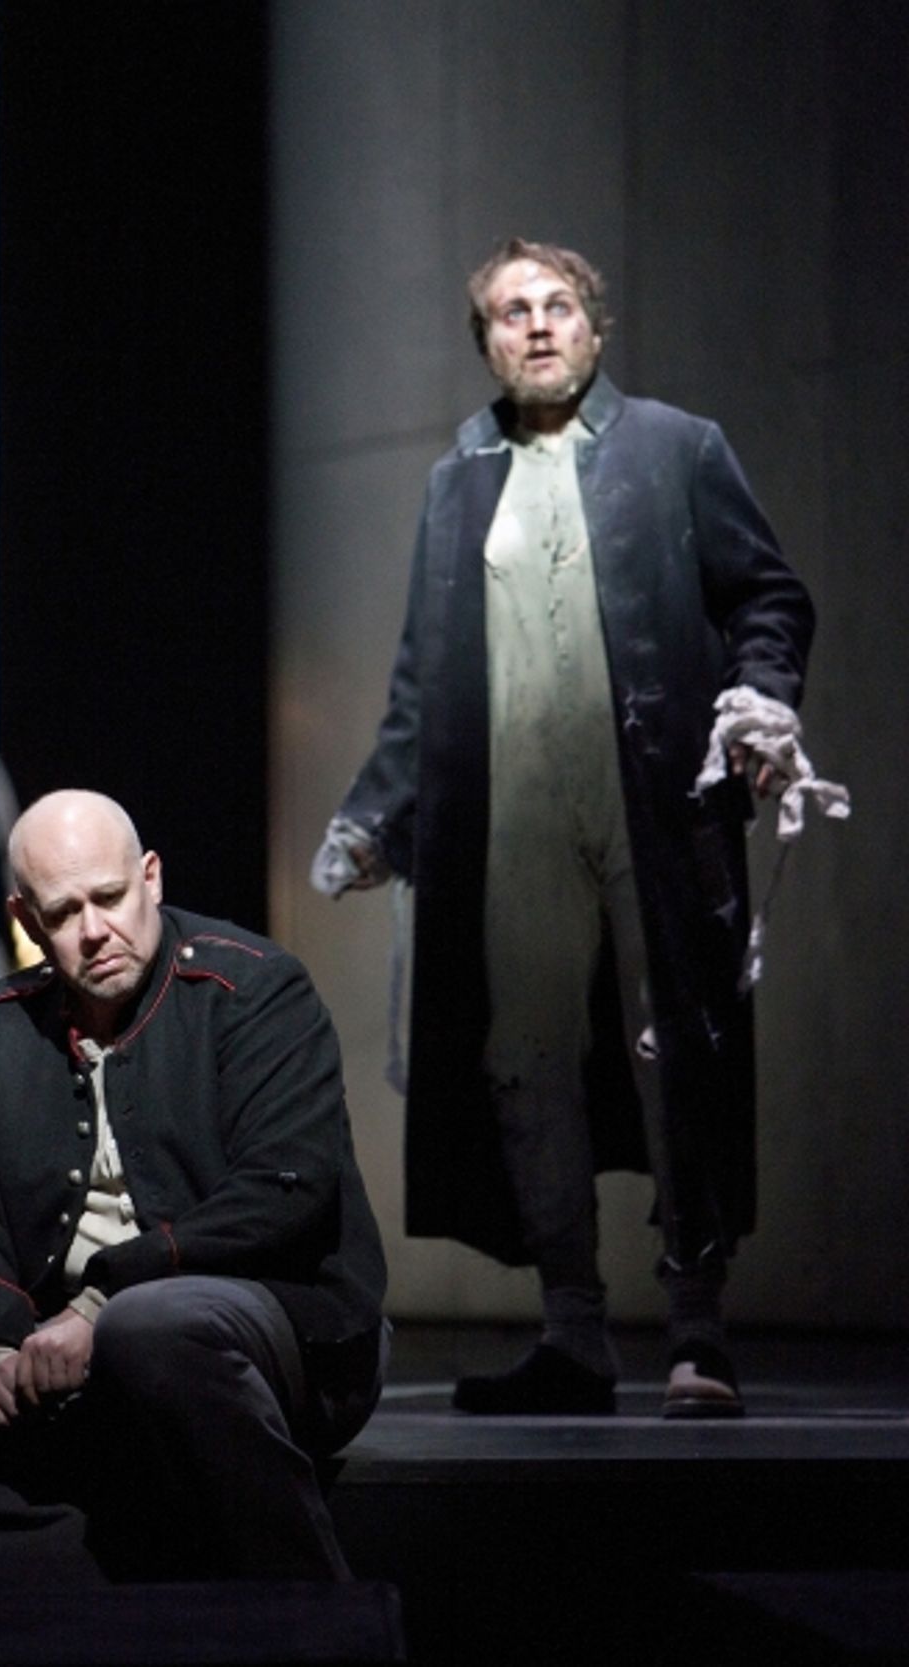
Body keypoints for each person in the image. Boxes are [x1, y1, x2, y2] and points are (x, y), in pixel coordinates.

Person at [312, 236, 818, 1420]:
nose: (535, 326)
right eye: (508, 313)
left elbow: (768, 593)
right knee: (524, 1061)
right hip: (512, 819)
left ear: (594, 325)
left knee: (674, 1047)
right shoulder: (458, 479)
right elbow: (422, 677)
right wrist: (381, 806)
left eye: (555, 306)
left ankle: (699, 1332)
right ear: (486, 342)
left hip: (656, 801)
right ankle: (574, 1333)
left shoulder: (677, 448)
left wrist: (761, 694)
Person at [0, 789, 388, 1583]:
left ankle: (311, 1616)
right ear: (28, 921)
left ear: (152, 878)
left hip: (269, 1340)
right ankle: (87, 1597)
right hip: (67, 1362)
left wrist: (99, 1308)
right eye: (63, 913)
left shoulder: (256, 990)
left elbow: (284, 1193)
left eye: (109, 897)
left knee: (151, 1326)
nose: (94, 931)